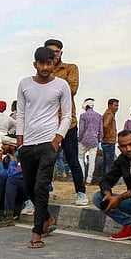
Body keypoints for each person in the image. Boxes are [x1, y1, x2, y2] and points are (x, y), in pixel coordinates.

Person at [16, 46, 72, 249]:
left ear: (54, 64)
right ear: (35, 64)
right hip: (28, 144)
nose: (46, 67)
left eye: (49, 63)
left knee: (41, 187)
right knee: (29, 187)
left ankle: (37, 231)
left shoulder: (62, 85)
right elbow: (21, 113)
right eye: (42, 63)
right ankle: (47, 218)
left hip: (48, 144)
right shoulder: (24, 84)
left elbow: (66, 115)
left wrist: (57, 140)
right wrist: (20, 142)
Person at [44, 38, 87, 206]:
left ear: (61, 53)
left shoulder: (70, 68)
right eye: (50, 51)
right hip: (48, 123)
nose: (53, 54)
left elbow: (72, 90)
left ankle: (81, 192)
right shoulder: (42, 71)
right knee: (46, 160)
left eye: (56, 51)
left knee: (72, 160)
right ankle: (44, 191)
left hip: (68, 123)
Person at [76, 98, 103, 185]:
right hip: (94, 141)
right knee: (92, 161)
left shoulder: (83, 116)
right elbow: (101, 131)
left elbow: (81, 130)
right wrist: (99, 141)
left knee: (80, 157)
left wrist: (79, 139)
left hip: (84, 140)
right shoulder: (99, 116)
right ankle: (89, 180)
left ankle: (82, 176)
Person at [102, 97, 119, 177]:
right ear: (109, 105)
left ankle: (105, 178)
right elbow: (105, 125)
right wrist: (106, 135)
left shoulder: (109, 114)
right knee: (110, 163)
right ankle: (108, 179)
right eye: (115, 105)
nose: (117, 107)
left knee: (106, 162)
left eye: (117, 106)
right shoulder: (109, 114)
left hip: (107, 141)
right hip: (109, 141)